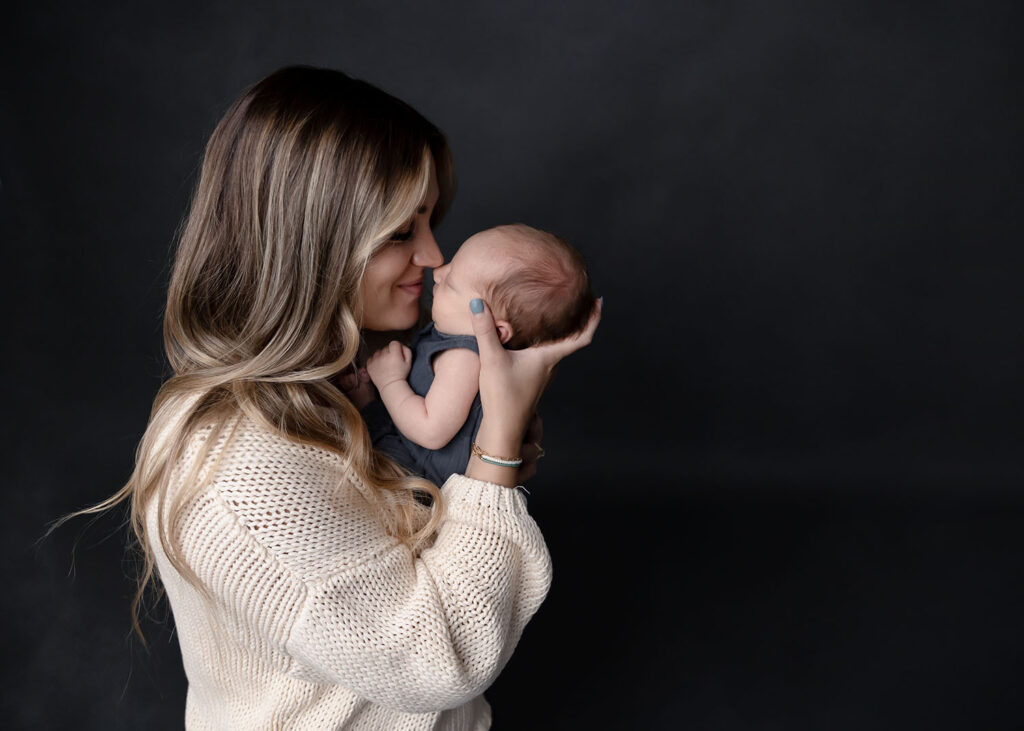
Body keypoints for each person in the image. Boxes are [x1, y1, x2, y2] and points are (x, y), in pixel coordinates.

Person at [61, 66, 600, 730]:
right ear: (316, 244)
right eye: (404, 231)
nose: (435, 256)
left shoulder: (346, 379)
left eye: (432, 222)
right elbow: (438, 659)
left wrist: (479, 456)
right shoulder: (241, 469)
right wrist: (496, 458)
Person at [344, 224, 594, 486]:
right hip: (409, 450)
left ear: (496, 329)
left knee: (366, 458)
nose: (438, 273)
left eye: (451, 283)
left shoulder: (464, 359)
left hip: (417, 477)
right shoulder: (455, 339)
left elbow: (430, 430)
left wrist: (390, 381)